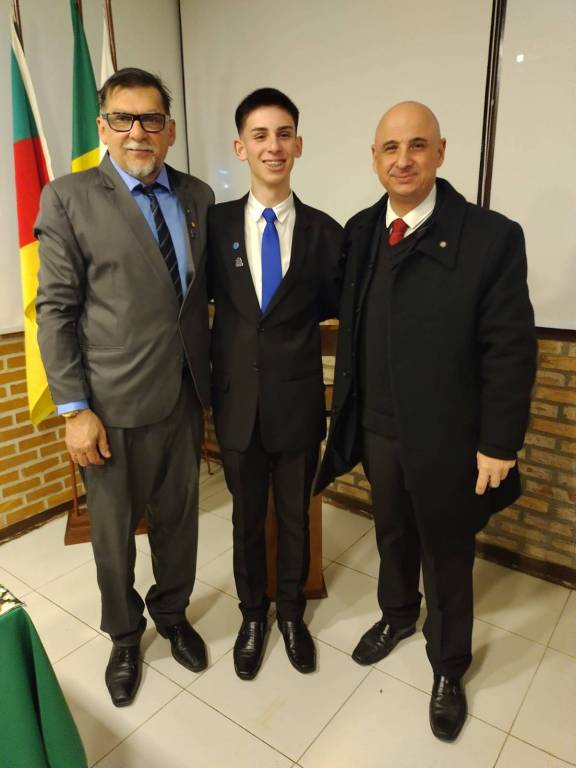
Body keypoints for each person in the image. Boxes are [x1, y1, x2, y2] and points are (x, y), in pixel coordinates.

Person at [316, 101, 536, 741]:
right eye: (390, 148)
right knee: (391, 534)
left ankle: (448, 663)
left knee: (447, 551)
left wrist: (499, 441)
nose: (403, 159)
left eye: (418, 145)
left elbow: (510, 348)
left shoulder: (490, 237)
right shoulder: (362, 230)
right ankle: (396, 615)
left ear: (440, 152)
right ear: (375, 158)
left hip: (449, 436)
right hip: (378, 426)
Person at [35, 68, 214, 707]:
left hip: (184, 397)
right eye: (123, 118)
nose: (138, 131)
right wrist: (74, 408)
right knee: (113, 537)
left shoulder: (197, 197)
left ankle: (173, 614)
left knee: (179, 522)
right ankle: (125, 636)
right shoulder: (69, 197)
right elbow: (55, 309)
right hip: (108, 406)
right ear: (103, 127)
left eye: (151, 119)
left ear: (169, 129)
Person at [208, 88, 343, 679]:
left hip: (297, 404)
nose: (273, 146)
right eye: (260, 135)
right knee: (244, 519)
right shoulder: (214, 226)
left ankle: (290, 613)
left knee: (294, 516)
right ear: (241, 147)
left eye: (284, 134)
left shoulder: (325, 232)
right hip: (237, 404)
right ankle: (252, 615)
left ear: (299, 145)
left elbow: (338, 308)